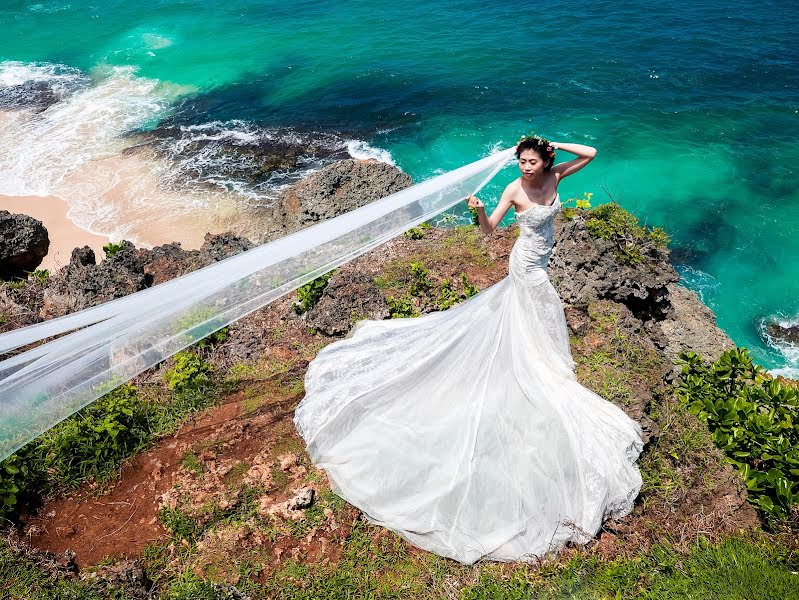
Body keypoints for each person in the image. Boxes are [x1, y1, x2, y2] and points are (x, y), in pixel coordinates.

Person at [293, 135, 643, 565]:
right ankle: (533, 366)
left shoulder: (556, 175)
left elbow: (592, 153)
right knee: (529, 315)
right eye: (522, 161)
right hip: (525, 268)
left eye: (532, 161)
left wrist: (553, 142)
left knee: (538, 320)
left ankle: (540, 362)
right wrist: (478, 212)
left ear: (546, 159)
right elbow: (490, 232)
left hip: (542, 264)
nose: (526, 168)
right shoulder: (514, 190)